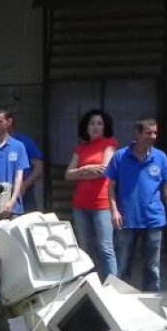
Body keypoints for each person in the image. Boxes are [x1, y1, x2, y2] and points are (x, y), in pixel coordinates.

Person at [105, 118, 167, 292]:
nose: (152, 136)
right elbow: (111, 187)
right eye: (148, 133)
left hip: (153, 219)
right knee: (124, 265)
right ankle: (121, 299)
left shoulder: (160, 157)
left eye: (155, 133)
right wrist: (114, 211)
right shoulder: (120, 156)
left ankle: (151, 300)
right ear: (137, 133)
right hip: (127, 220)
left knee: (152, 267)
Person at [65, 109, 118, 281]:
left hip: (102, 204)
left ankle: (111, 285)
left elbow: (104, 170)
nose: (95, 127)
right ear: (86, 127)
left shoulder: (109, 144)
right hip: (80, 204)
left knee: (105, 247)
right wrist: (86, 170)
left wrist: (81, 171)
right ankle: (89, 283)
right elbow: (68, 175)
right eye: (92, 123)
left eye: (99, 124)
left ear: (105, 127)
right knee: (85, 247)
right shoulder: (80, 148)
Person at [10, 118, 45, 213]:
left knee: (28, 220)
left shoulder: (24, 141)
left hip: (25, 193)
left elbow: (39, 167)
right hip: (1, 191)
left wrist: (24, 186)